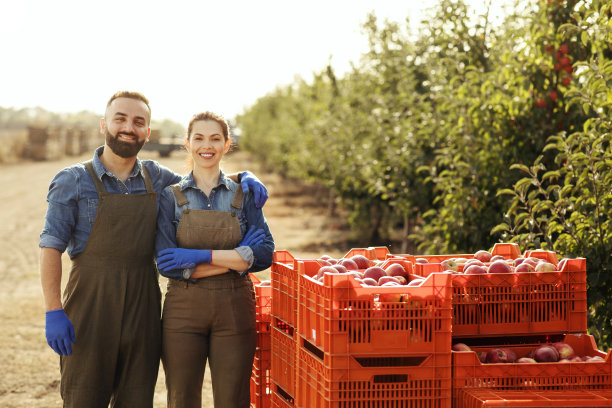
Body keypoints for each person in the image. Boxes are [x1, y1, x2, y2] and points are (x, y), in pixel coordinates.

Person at [39, 91, 268, 408]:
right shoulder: (73, 180)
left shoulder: (156, 176)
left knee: (136, 399)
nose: (128, 127)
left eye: (138, 122)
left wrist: (244, 176)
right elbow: (50, 245)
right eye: (120, 119)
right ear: (104, 124)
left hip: (143, 307)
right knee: (84, 398)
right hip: (91, 304)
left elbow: (203, 178)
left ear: (147, 132)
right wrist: (54, 310)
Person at [154, 111, 274, 408]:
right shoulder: (171, 197)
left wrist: (198, 257)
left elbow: (265, 253)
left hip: (235, 309)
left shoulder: (244, 195)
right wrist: (237, 257)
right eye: (199, 138)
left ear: (226, 144)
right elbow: (168, 264)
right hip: (183, 311)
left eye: (215, 138)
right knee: (181, 398)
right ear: (187, 143)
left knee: (233, 399)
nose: (206, 145)